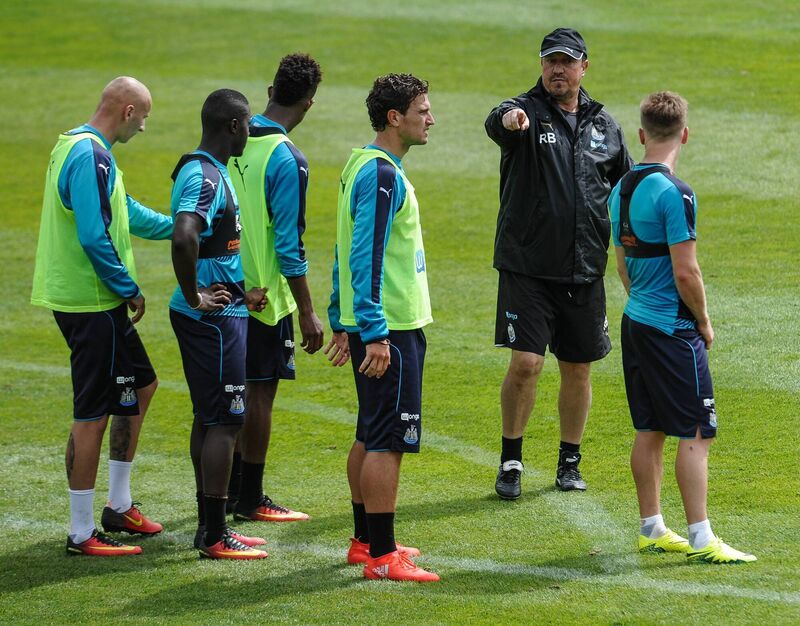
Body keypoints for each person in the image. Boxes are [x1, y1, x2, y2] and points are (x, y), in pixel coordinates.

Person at [485, 28, 632, 498]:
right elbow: (497, 120)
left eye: (567, 62)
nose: (557, 70)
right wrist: (508, 120)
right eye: (550, 61)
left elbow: (625, 188)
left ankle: (569, 461)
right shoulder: (524, 111)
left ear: (584, 66)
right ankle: (511, 459)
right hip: (527, 267)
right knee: (527, 363)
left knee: (578, 367)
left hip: (584, 267)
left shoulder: (604, 125)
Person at [609, 91, 756, 564]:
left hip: (636, 323)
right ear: (685, 134)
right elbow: (686, 272)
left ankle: (651, 528)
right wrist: (704, 321)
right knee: (696, 430)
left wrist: (644, 302)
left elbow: (623, 268)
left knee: (649, 427)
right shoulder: (677, 193)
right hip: (673, 328)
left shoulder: (620, 190)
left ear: (641, 134)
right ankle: (701, 537)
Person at [31, 77, 170, 556]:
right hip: (90, 304)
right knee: (91, 416)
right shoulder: (92, 155)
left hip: (95, 303)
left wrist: (181, 228)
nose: (145, 127)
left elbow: (122, 211)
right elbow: (93, 236)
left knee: (142, 386)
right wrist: (128, 288)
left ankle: (118, 503)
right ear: (128, 111)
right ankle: (81, 532)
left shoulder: (77, 145)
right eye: (145, 116)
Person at [323, 73, 439, 582]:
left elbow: (341, 246)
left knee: (370, 432)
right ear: (395, 117)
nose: (431, 119)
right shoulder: (382, 174)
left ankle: (365, 540)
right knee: (386, 439)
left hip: (376, 321)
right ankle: (382, 555)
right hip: (389, 327)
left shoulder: (361, 165)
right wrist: (371, 330)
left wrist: (340, 317)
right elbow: (364, 251)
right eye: (423, 110)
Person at [169, 88, 269, 560]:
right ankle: (213, 534)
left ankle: (210, 525)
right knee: (227, 421)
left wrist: (238, 289)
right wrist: (196, 296)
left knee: (210, 419)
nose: (251, 130)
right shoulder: (205, 176)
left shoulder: (209, 170)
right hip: (212, 321)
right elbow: (184, 236)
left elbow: (207, 245)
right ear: (233, 126)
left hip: (223, 311)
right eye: (247, 123)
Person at [228, 53, 324, 523]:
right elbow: (289, 244)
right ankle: (250, 498)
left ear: (270, 91)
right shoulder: (287, 158)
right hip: (265, 300)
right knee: (258, 394)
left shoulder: (228, 140)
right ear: (308, 104)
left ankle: (224, 494)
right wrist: (307, 310)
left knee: (224, 393)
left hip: (221, 291)